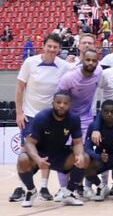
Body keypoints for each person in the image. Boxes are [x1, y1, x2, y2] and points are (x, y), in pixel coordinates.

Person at [10, 34, 70, 203]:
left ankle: (44, 187)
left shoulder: (64, 66)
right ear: (43, 46)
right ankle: (23, 187)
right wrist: (19, 113)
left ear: (59, 49)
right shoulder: (30, 63)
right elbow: (20, 88)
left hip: (51, 118)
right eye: (49, 46)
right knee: (24, 151)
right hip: (29, 116)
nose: (52, 50)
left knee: (47, 152)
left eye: (55, 47)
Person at [15, 91, 89, 207]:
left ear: (70, 105)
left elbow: (78, 142)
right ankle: (31, 191)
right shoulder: (42, 117)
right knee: (22, 159)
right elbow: (29, 143)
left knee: (84, 158)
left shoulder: (74, 119)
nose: (61, 105)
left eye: (65, 103)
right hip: (40, 154)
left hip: (60, 154)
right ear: (52, 103)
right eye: (58, 102)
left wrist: (79, 155)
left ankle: (68, 194)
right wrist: (38, 159)